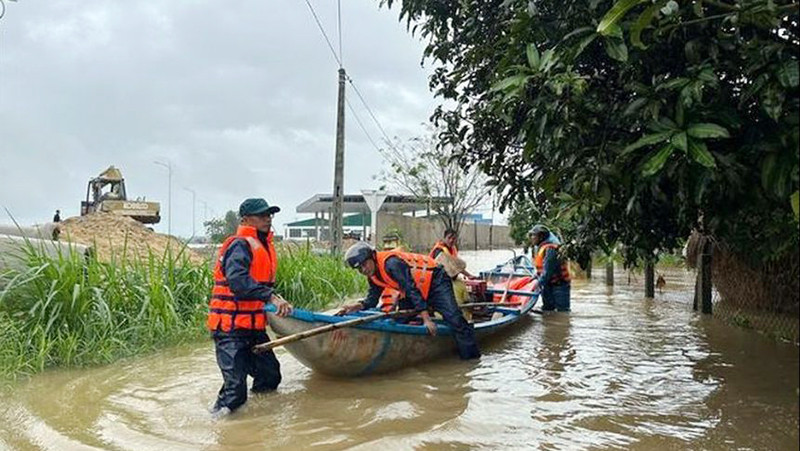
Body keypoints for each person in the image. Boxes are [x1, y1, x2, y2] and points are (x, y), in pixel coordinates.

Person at [207, 198, 293, 417]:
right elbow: (238, 282)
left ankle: (257, 420)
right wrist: (271, 298)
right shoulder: (240, 244)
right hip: (230, 330)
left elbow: (258, 284)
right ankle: (218, 425)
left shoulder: (263, 245)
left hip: (253, 329)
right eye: (262, 215)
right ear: (246, 219)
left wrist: (274, 298)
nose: (267, 219)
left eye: (269, 215)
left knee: (270, 376)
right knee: (235, 391)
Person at [337, 241, 480, 360]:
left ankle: (470, 359)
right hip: (416, 288)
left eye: (364, 265)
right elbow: (371, 301)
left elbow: (411, 289)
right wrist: (353, 308)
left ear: (373, 257)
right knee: (399, 319)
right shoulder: (373, 275)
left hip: (436, 281)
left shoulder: (391, 264)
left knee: (455, 319)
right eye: (359, 269)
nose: (363, 270)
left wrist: (426, 319)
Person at [529, 224, 571, 312]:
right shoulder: (541, 248)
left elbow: (548, 272)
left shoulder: (550, 249)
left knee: (562, 312)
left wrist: (535, 285)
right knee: (548, 310)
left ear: (541, 237)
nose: (532, 237)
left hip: (559, 286)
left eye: (534, 235)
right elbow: (542, 269)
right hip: (548, 284)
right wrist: (535, 276)